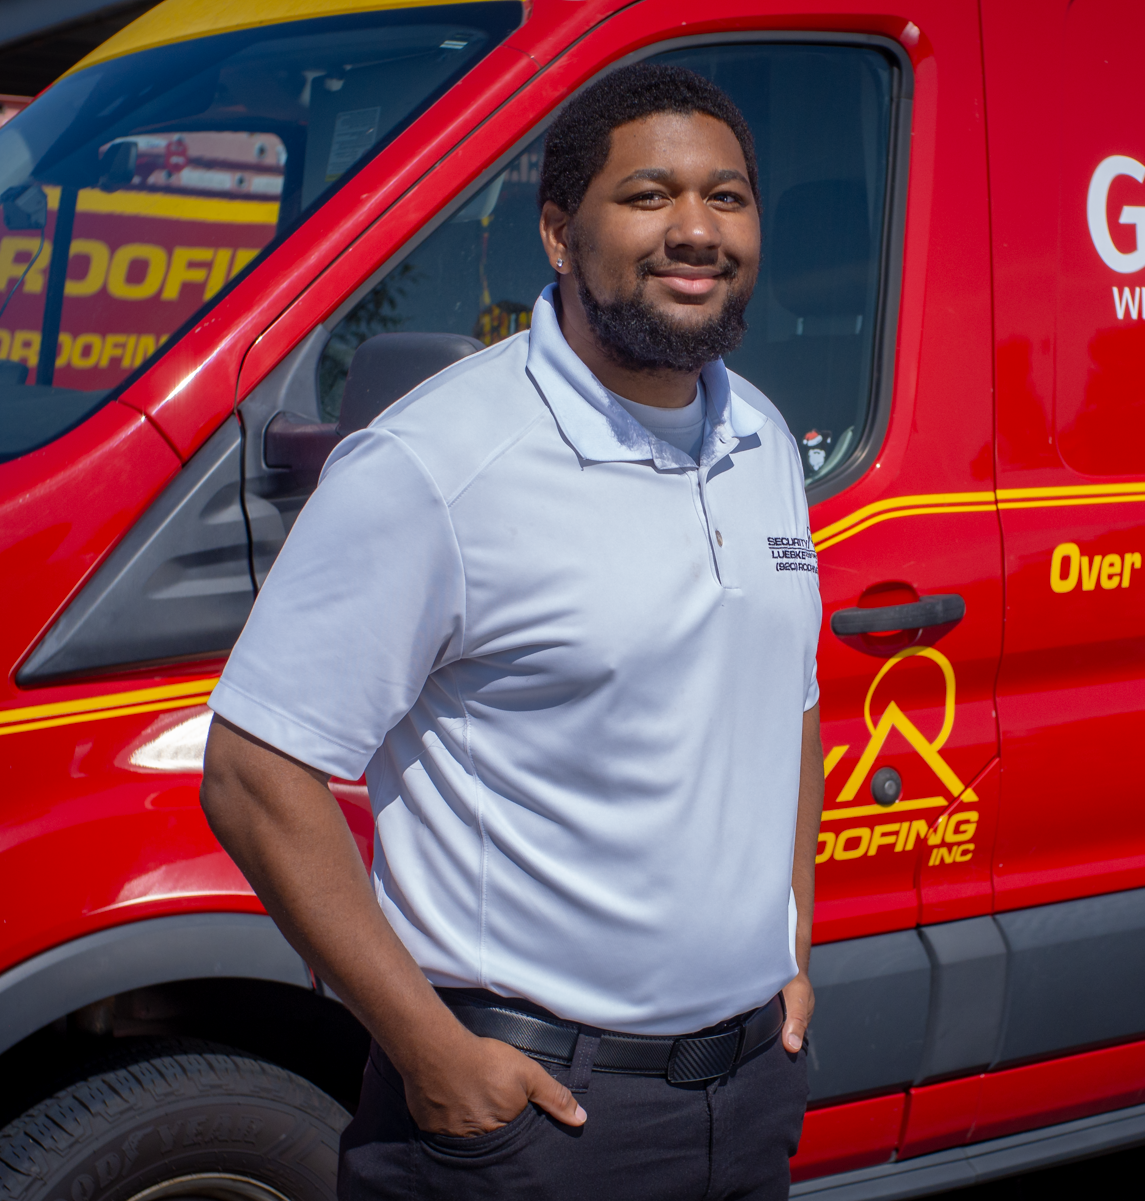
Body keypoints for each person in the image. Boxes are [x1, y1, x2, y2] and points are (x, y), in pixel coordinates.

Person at [200, 62, 823, 1200]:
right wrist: (434, 1057)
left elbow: (786, 702)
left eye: (727, 197)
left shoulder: (762, 436)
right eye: (648, 196)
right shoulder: (436, 463)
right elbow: (252, 772)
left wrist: (790, 946)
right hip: (531, 1119)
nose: (695, 229)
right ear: (557, 232)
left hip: (750, 1090)